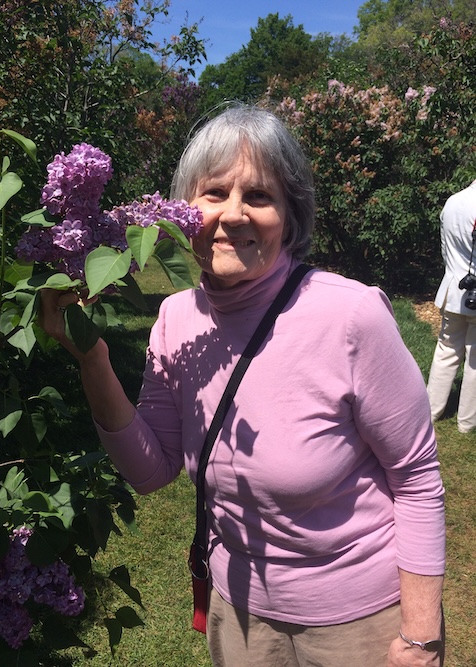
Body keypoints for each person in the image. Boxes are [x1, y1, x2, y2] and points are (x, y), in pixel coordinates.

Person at [40, 105, 445, 667]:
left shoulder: (351, 316)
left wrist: (421, 637)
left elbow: (417, 478)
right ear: (184, 212)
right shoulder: (175, 319)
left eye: (258, 195)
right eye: (214, 193)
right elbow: (150, 472)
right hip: (239, 613)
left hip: (358, 622)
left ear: (289, 215)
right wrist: (92, 360)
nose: (233, 214)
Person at [427, 179, 476, 433]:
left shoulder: (453, 201)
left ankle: (430, 411)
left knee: (446, 350)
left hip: (453, 287)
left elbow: (446, 249)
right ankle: (467, 423)